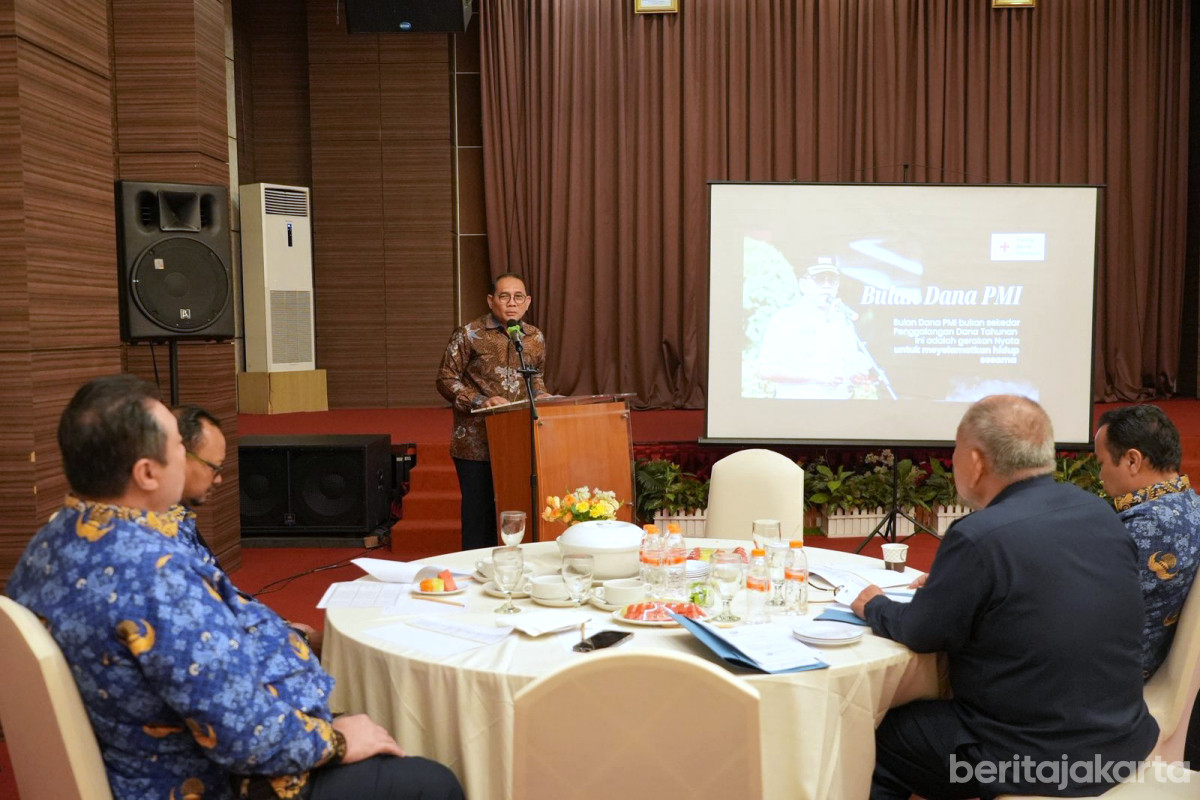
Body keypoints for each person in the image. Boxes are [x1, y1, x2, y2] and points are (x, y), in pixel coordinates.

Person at [6, 375, 464, 800]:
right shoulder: (155, 573)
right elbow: (245, 738)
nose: (186, 459)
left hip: (141, 750)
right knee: (431, 782)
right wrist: (339, 741)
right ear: (147, 473)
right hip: (203, 779)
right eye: (177, 448)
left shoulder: (51, 540)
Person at [851, 395, 1157, 798]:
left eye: (955, 452)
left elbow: (921, 632)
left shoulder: (979, 535)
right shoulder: (1097, 511)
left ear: (976, 463)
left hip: (1036, 758)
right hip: (1122, 740)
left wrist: (873, 603)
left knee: (884, 737)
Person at [174, 404, 324, 653]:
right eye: (214, 467)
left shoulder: (175, 517)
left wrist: (284, 627)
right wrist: (299, 640)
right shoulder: (154, 542)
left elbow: (221, 595)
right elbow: (206, 633)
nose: (220, 478)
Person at [436, 272, 550, 551]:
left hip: (519, 442)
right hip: (476, 443)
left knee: (518, 511)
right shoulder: (469, 334)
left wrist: (544, 395)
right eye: (504, 296)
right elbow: (445, 379)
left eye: (518, 297)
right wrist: (478, 400)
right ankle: (476, 571)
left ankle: (514, 566)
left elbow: (535, 378)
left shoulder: (534, 337)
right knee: (479, 516)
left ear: (527, 302)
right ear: (491, 300)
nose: (511, 303)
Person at [1095, 404, 1200, 678]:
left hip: (1111, 673)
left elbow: (1092, 608)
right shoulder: (1190, 503)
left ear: (1132, 461)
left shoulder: (1148, 527)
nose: (1099, 475)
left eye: (1101, 463)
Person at [757, 257, 885, 399]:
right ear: (803, 285)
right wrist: (817, 377)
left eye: (832, 280)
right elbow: (766, 370)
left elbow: (851, 363)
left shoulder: (843, 320)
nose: (826, 285)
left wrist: (856, 375)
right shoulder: (785, 318)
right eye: (819, 279)